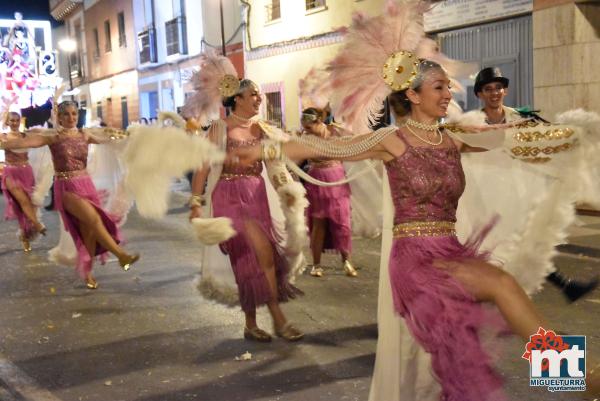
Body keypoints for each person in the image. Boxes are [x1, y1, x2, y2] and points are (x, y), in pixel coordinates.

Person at [186, 55, 305, 342]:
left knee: (254, 260)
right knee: (256, 253)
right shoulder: (219, 129)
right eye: (254, 95)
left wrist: (288, 193)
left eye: (260, 95)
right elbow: (203, 167)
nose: (259, 99)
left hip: (256, 197)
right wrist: (195, 203)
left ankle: (251, 324)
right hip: (228, 197)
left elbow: (275, 166)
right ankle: (278, 319)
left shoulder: (262, 129)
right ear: (237, 98)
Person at [473, 66, 599, 302]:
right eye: (488, 89)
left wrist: (575, 135)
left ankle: (562, 287)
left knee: (525, 242)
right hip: (485, 197)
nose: (494, 93)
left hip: (516, 193)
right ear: (479, 94)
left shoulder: (521, 119)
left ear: (505, 90)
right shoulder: (474, 123)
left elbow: (544, 140)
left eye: (498, 87)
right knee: (497, 249)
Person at [0, 101, 140, 289]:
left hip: (86, 184)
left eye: (74, 114)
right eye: (66, 114)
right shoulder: (53, 138)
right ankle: (121, 255)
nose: (71, 118)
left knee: (89, 230)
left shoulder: (85, 134)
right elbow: (25, 142)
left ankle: (87, 271)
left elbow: (109, 139)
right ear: (59, 117)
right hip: (66, 187)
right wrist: (5, 143)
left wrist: (129, 137)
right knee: (94, 220)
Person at [300, 107, 357, 277]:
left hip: (337, 179)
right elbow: (296, 158)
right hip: (316, 181)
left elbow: (354, 144)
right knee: (319, 223)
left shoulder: (334, 131)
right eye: (304, 127)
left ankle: (347, 260)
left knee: (342, 221)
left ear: (319, 122)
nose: (305, 130)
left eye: (309, 127)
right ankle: (316, 264)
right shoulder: (305, 138)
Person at [1, 111, 45, 251]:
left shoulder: (26, 136)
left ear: (20, 121)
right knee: (22, 202)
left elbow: (44, 135)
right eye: (11, 120)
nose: (14, 123)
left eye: (16, 120)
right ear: (7, 122)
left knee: (27, 207)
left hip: (26, 173)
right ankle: (38, 225)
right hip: (10, 174)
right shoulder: (3, 137)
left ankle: (25, 236)